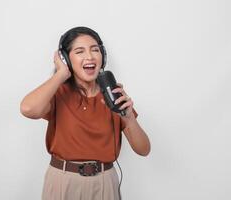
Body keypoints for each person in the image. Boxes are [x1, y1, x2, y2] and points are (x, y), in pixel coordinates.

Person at [20, 26, 150, 200]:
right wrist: (61, 74)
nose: (89, 56)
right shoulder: (57, 93)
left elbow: (143, 150)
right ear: (66, 59)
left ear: (102, 56)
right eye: (79, 51)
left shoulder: (114, 96)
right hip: (63, 181)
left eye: (95, 50)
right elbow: (28, 109)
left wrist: (129, 119)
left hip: (105, 182)